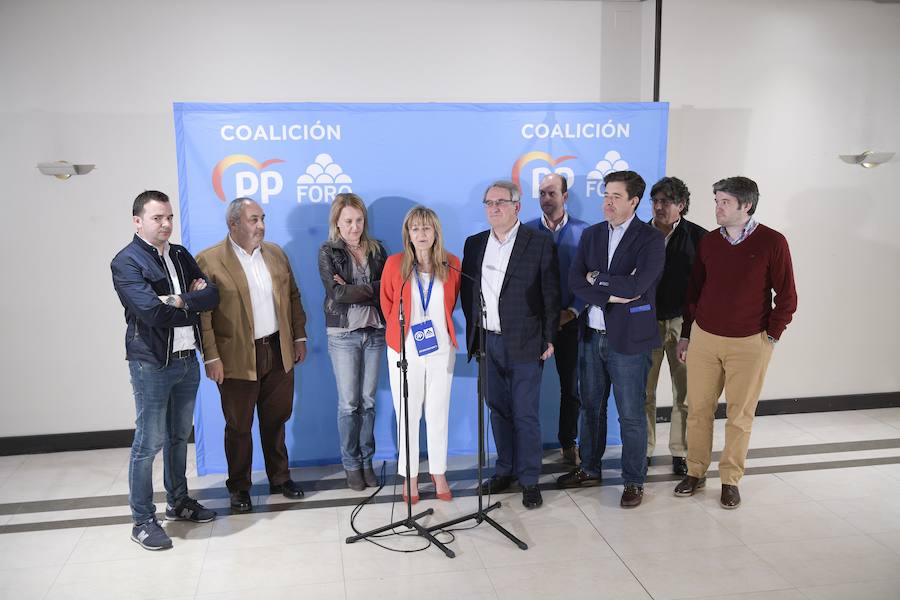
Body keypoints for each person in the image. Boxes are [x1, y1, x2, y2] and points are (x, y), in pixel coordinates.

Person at [674, 176, 797, 509]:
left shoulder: (773, 242)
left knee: (740, 416)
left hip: (750, 342)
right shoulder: (709, 242)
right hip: (705, 339)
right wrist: (687, 333)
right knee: (698, 411)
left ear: (746, 205)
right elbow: (694, 292)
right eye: (716, 201)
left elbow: (787, 296)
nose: (717, 207)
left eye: (724, 202)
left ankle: (730, 479)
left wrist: (771, 334)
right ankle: (695, 472)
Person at [111, 190, 219, 550]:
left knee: (177, 437)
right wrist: (190, 302)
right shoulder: (126, 262)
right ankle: (142, 520)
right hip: (152, 364)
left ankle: (179, 502)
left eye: (169, 217)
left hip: (188, 360)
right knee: (148, 442)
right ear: (138, 221)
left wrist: (179, 299)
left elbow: (212, 296)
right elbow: (151, 313)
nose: (166, 224)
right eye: (158, 218)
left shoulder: (180, 254)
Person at [196, 198, 308, 512]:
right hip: (235, 358)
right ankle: (239, 487)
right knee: (239, 427)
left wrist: (298, 336)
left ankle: (280, 478)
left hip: (277, 350)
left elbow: (293, 297)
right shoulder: (209, 260)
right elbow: (202, 316)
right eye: (253, 219)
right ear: (233, 224)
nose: (260, 226)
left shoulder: (275, 253)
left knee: (276, 420)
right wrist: (210, 356)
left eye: (262, 218)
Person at [563, 170, 665, 508]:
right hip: (591, 336)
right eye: (606, 194)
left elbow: (636, 287)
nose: (608, 201)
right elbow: (576, 282)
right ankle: (589, 468)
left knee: (631, 415)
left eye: (616, 196)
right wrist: (608, 287)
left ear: (634, 201)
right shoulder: (592, 235)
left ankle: (633, 481)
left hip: (630, 340)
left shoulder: (650, 239)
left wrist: (598, 281)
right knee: (591, 408)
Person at [461, 180, 561, 509]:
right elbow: (467, 295)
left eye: (501, 202)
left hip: (527, 342)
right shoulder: (474, 244)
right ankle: (504, 469)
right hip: (488, 342)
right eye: (488, 202)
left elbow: (550, 295)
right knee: (498, 410)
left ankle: (530, 479)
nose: (494, 208)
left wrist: (549, 337)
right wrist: (475, 333)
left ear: (517, 207)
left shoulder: (539, 243)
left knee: (525, 414)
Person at [380, 206, 461, 503]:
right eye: (415, 229)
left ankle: (438, 472)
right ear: (408, 234)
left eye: (426, 228)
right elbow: (387, 304)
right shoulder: (394, 264)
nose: (421, 234)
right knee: (408, 415)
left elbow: (450, 304)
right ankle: (410, 476)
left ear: (436, 232)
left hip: (441, 348)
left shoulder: (451, 263)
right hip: (405, 350)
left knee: (438, 413)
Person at [318, 193, 388, 491]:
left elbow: (387, 289)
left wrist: (359, 288)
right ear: (337, 221)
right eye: (348, 221)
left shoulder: (378, 249)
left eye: (359, 220)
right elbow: (337, 294)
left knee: (369, 402)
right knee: (349, 404)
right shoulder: (327, 251)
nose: (354, 227)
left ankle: (367, 459)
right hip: (343, 334)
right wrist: (369, 290)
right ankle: (351, 464)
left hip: (374, 332)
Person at [524, 173, 589, 466]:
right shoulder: (524, 232)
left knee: (571, 387)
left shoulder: (585, 232)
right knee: (526, 388)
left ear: (565, 196)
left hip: (570, 321)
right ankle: (527, 447)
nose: (546, 198)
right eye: (541, 193)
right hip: (534, 324)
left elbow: (590, 278)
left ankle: (568, 442)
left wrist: (572, 311)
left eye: (552, 193)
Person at [645, 177, 707, 475]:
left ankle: (680, 451)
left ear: (681, 205)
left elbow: (707, 286)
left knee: (684, 392)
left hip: (684, 324)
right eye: (655, 201)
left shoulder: (700, 237)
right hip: (645, 322)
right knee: (644, 391)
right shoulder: (638, 234)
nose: (658, 207)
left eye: (665, 202)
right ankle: (643, 448)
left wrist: (693, 328)